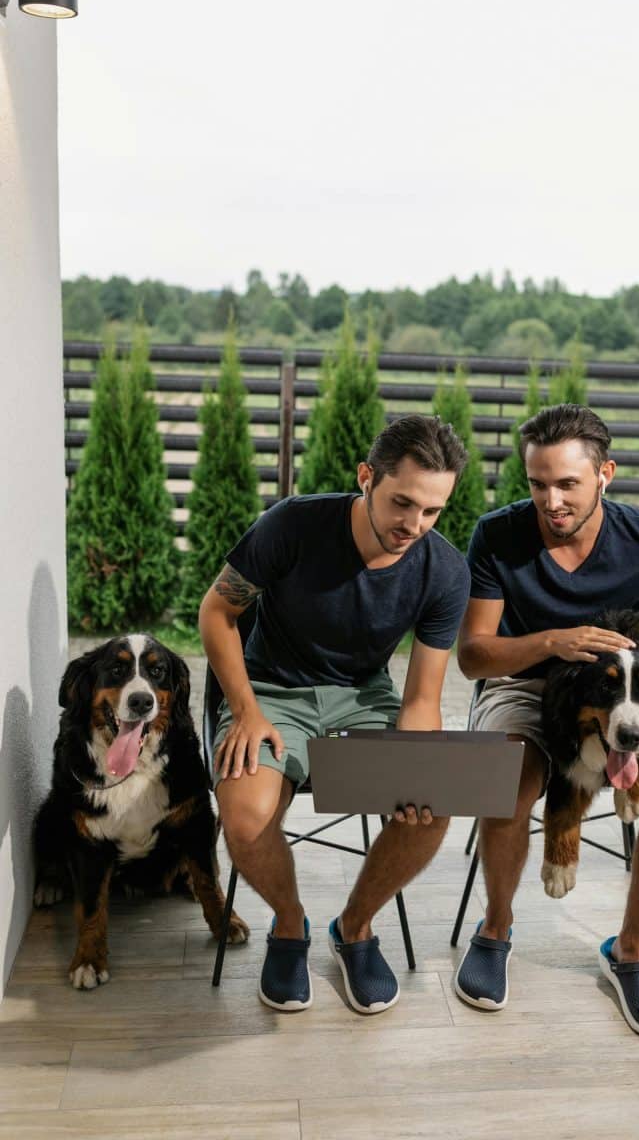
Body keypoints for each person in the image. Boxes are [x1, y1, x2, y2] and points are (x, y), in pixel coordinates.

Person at [453, 403, 639, 1036]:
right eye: (537, 483)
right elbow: (474, 655)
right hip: (524, 684)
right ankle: (495, 929)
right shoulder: (498, 535)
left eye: (567, 484)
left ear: (604, 474)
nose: (550, 501)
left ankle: (631, 949)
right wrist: (550, 643)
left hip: (620, 695)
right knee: (505, 778)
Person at [199, 414, 471, 1015]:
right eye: (403, 503)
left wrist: (417, 768)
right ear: (366, 477)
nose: (414, 525)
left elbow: (422, 699)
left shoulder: (445, 571)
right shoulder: (294, 525)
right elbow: (216, 613)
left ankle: (355, 927)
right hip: (270, 692)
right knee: (245, 818)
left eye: (432, 511)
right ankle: (289, 924)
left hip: (363, 698)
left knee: (432, 811)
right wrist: (244, 711)